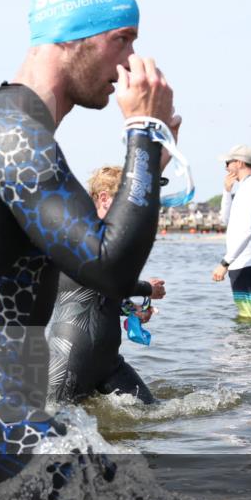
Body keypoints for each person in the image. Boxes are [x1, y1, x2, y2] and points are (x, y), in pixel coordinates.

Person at [0, 0, 179, 498]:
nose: (130, 63)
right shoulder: (12, 133)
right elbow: (110, 267)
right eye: (121, 41)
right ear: (71, 40)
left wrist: (151, 157)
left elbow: (85, 252)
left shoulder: (8, 126)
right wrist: (143, 134)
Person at [47, 165, 166, 405]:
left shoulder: (112, 243)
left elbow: (103, 292)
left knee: (151, 415)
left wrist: (133, 311)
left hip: (109, 362)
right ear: (104, 199)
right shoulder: (79, 235)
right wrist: (146, 289)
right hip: (70, 360)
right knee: (58, 433)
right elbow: (105, 277)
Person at [212, 145, 251, 320]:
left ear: (239, 163)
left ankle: (249, 348)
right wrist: (226, 191)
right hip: (249, 262)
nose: (225, 168)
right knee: (250, 317)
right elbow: (226, 219)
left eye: (228, 163)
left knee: (249, 319)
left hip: (247, 263)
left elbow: (247, 230)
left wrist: (224, 263)